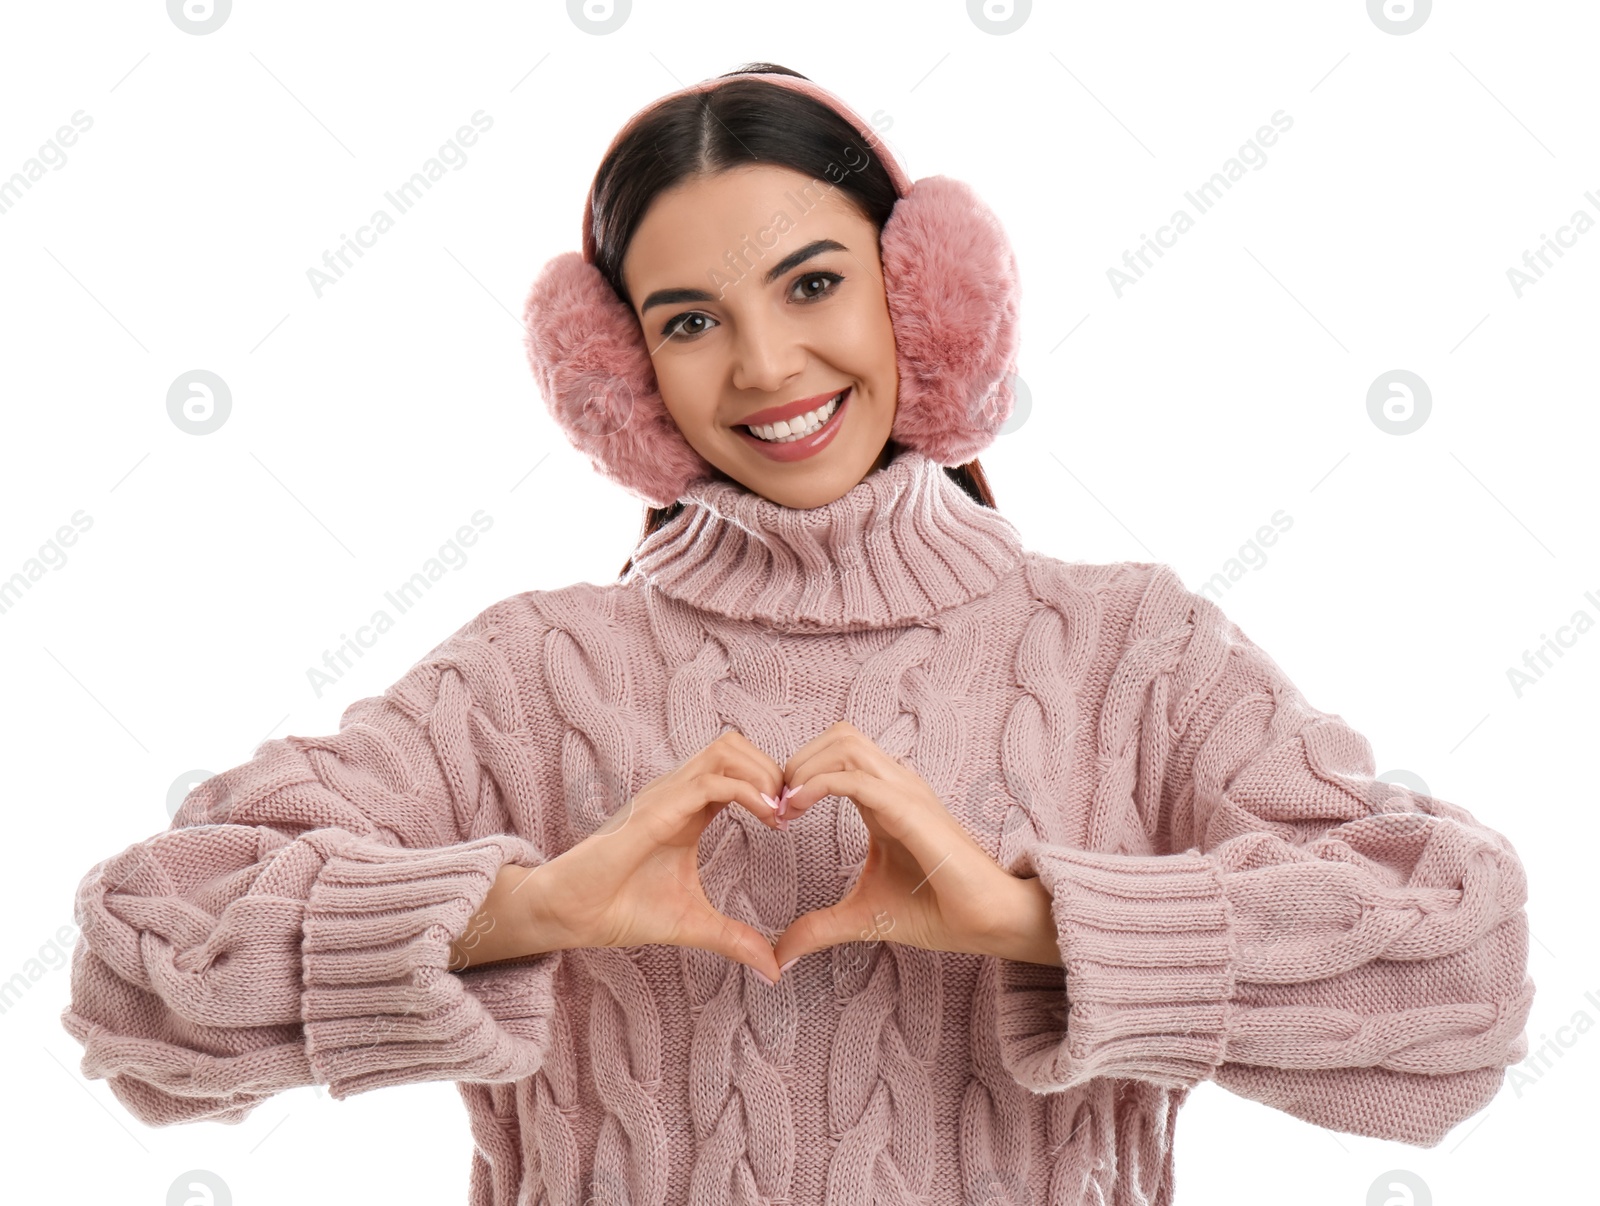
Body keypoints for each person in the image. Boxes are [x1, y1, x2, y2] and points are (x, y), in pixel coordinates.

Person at [61, 63, 1534, 1206]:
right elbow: (139, 966)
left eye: (814, 284)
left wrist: (1035, 923)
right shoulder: (528, 673)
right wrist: (527, 914)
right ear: (621, 377)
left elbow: (1462, 975)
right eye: (689, 321)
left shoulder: (1128, 649)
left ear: (924, 298)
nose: (766, 364)